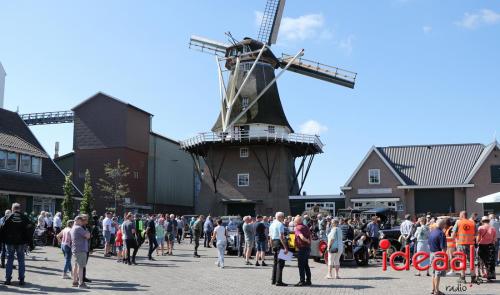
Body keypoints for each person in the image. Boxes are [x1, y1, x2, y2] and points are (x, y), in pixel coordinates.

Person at [0, 203, 33, 286]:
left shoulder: (7, 217)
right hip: (21, 243)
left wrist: (4, 239)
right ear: (19, 209)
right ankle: (21, 280)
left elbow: (2, 228)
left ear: (12, 209)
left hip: (9, 242)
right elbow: (30, 228)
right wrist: (29, 241)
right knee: (21, 260)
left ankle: (8, 279)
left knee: (10, 260)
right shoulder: (24, 218)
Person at [451, 211, 476, 283]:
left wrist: (455, 239)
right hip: (471, 244)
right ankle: (473, 277)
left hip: (461, 244)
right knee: (471, 261)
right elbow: (476, 233)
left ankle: (463, 277)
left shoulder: (458, 222)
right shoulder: (472, 223)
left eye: (459, 215)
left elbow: (453, 235)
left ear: (462, 215)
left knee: (462, 260)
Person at [70, 215, 91, 289]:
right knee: (81, 267)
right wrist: (87, 231)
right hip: (81, 250)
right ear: (78, 220)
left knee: (75, 266)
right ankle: (81, 283)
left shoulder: (73, 228)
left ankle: (75, 281)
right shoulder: (79, 228)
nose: (83, 222)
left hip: (75, 249)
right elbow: (88, 236)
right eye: (81, 220)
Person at [428, 218, 447, 295]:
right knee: (437, 273)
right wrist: (444, 257)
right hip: (439, 254)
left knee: (433, 272)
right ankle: (437, 291)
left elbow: (429, 243)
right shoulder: (441, 233)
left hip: (432, 253)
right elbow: (443, 247)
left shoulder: (432, 232)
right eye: (444, 224)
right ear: (442, 225)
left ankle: (433, 289)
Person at [269, 211, 288, 286]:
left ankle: (273, 280)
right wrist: (285, 247)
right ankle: (278, 281)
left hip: (274, 243)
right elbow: (281, 237)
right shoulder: (280, 224)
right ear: (280, 217)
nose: (283, 218)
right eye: (283, 217)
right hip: (280, 243)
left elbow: (270, 237)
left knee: (275, 263)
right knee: (280, 263)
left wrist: (271, 246)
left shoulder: (272, 224)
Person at [477, 216, 496, 281]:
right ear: (489, 221)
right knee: (490, 261)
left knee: (482, 260)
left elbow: (478, 239)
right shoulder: (493, 228)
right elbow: (494, 239)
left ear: (482, 221)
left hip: (482, 246)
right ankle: (489, 275)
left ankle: (482, 273)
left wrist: (478, 242)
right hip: (490, 246)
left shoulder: (480, 228)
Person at [294, 215, 312, 286]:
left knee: (301, 265)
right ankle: (308, 280)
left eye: (295, 221)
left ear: (297, 221)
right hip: (307, 248)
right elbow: (310, 235)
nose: (294, 222)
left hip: (302, 248)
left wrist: (306, 240)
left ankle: (302, 281)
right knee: (306, 265)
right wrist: (309, 242)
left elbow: (301, 236)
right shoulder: (306, 227)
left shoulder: (297, 228)